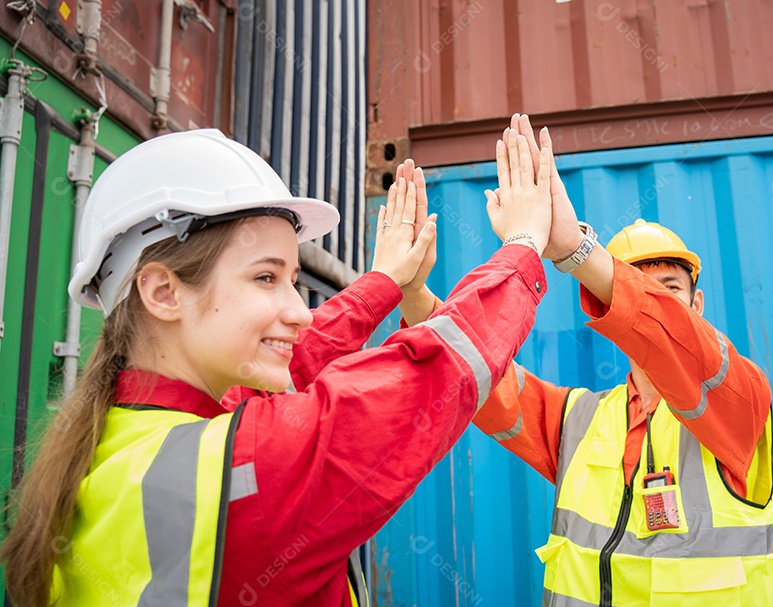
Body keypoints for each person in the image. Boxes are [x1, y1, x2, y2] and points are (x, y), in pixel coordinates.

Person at [0, 128, 557, 607]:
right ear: (163, 292)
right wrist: (524, 245)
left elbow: (293, 362)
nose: (298, 310)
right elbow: (428, 374)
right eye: (266, 277)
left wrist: (384, 284)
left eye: (294, 279)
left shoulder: (120, 442)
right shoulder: (245, 464)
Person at [398, 115, 773, 606]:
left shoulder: (739, 399)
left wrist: (577, 253)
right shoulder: (579, 421)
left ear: (697, 305)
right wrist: (413, 295)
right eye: (640, 287)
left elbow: (675, 338)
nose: (655, 301)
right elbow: (481, 378)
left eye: (670, 290)